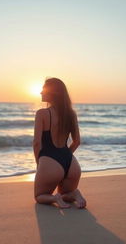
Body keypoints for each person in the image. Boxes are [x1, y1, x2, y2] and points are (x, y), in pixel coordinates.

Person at [33, 77, 86, 209]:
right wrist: (64, 156)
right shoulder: (71, 114)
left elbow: (36, 143)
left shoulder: (42, 114)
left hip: (50, 161)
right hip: (71, 164)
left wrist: (40, 164)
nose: (40, 93)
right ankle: (74, 194)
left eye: (43, 90)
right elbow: (77, 141)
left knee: (39, 196)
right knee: (66, 194)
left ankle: (55, 198)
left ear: (52, 93)